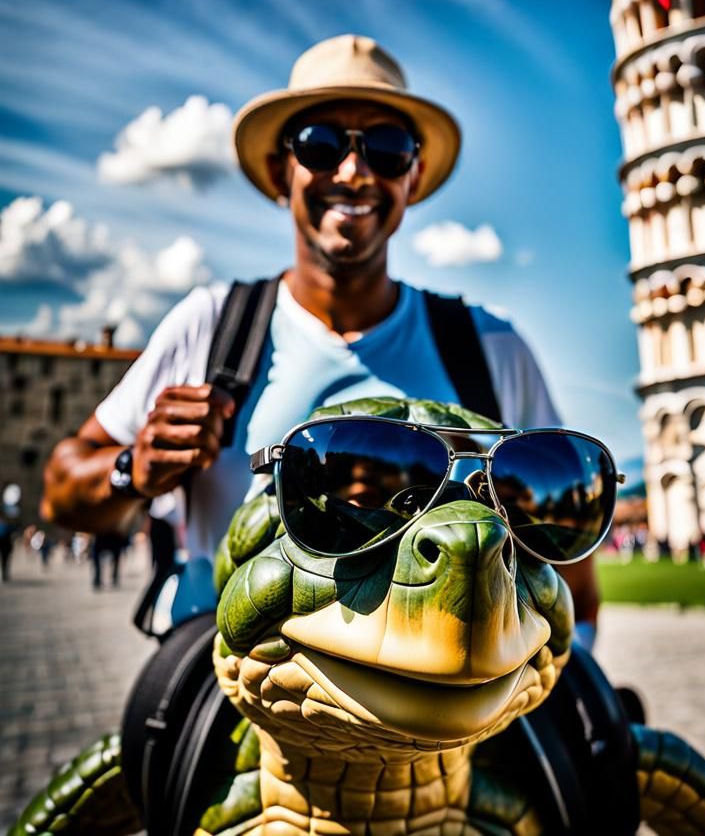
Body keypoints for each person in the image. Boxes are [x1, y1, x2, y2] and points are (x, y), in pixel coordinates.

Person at [40, 35, 600, 647]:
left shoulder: (489, 348)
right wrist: (134, 469)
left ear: (412, 176)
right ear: (283, 169)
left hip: (450, 720)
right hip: (235, 693)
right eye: (321, 144)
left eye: (386, 149)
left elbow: (572, 572)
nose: (354, 172)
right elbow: (60, 492)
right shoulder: (210, 327)